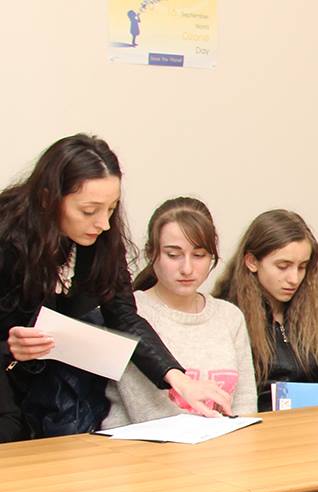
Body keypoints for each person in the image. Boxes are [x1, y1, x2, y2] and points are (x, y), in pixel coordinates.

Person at [0, 134, 231, 438]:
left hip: (56, 397)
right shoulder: (7, 237)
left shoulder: (101, 240)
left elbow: (123, 315)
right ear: (47, 199)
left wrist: (179, 379)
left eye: (111, 208)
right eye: (89, 211)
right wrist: (8, 347)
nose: (104, 223)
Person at [102, 197, 256, 428]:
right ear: (151, 253)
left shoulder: (229, 317)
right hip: (145, 444)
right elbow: (147, 412)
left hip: (221, 444)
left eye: (199, 255)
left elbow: (245, 404)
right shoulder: (128, 314)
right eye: (173, 255)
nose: (187, 268)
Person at [213, 209, 318, 411]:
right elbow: (233, 399)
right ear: (252, 262)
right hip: (262, 424)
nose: (294, 279)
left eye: (302, 267)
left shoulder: (314, 312)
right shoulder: (227, 315)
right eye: (283, 266)